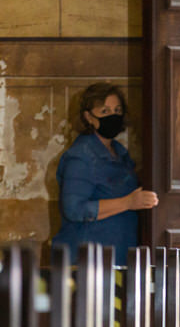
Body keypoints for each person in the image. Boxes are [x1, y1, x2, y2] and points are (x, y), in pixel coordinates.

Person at [52, 83, 158, 266]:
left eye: (117, 110)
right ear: (89, 117)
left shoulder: (121, 154)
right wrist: (128, 203)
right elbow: (74, 208)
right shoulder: (80, 156)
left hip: (119, 255)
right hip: (87, 261)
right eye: (105, 111)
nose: (113, 116)